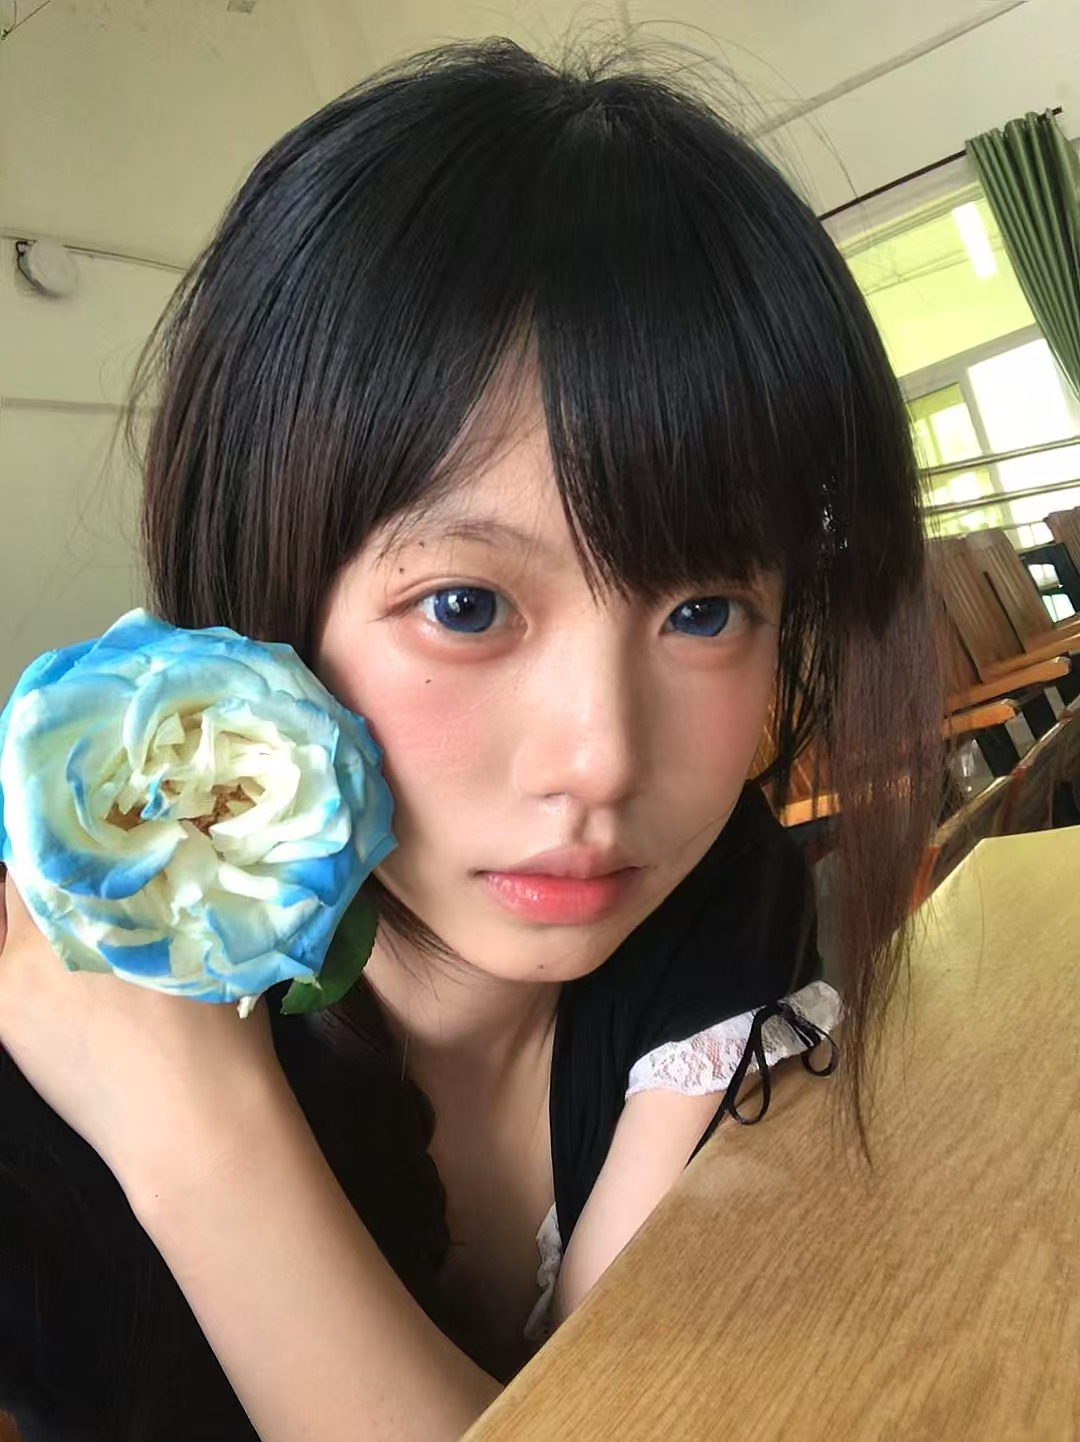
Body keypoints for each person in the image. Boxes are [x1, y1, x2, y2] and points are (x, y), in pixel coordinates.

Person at [0, 39, 942, 1442]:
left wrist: (197, 1126)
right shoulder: (34, 1138)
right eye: (466, 604)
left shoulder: (716, 903)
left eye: (702, 609)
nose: (603, 761)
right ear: (258, 606)